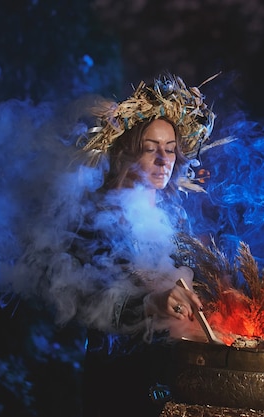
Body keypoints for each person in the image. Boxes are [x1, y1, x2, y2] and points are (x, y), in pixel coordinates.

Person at [67, 74, 219, 416]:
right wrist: (151, 303)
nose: (163, 160)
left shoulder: (177, 215)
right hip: (120, 379)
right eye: (150, 150)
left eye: (169, 150)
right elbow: (86, 298)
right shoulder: (97, 218)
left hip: (176, 376)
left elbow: (194, 280)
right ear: (127, 153)